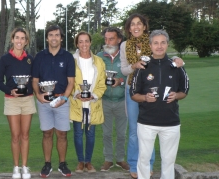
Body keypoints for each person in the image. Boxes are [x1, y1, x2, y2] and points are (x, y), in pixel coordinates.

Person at [120, 13, 185, 179]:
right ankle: (135, 165)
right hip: (135, 90)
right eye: (132, 24)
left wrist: (177, 58)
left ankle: (149, 165)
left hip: (162, 107)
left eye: (139, 23)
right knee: (136, 131)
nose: (136, 26)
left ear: (144, 26)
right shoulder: (125, 46)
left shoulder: (155, 41)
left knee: (157, 139)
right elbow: (124, 71)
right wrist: (134, 66)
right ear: (129, 28)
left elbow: (164, 58)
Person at [32, 25, 75, 178]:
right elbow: (35, 80)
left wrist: (64, 98)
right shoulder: (40, 56)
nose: (54, 38)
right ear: (47, 38)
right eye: (51, 35)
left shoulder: (68, 57)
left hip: (62, 99)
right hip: (44, 101)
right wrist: (38, 95)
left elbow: (71, 82)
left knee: (62, 134)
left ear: (61, 38)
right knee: (47, 133)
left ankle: (62, 164)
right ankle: (47, 163)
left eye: (57, 35)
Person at [0, 28, 36, 179]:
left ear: (26, 41)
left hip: (27, 100)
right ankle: (16, 167)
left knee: (25, 135)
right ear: (12, 39)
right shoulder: (5, 59)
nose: (19, 41)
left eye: (22, 38)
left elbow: (34, 80)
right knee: (15, 136)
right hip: (11, 100)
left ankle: (25, 167)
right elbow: (0, 82)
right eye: (17, 38)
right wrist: (10, 90)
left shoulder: (30, 59)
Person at [70, 31, 106, 173]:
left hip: (93, 104)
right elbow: (69, 82)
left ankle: (88, 162)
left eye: (86, 41)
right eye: (81, 41)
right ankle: (80, 162)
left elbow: (102, 83)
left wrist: (94, 95)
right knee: (78, 134)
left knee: (90, 135)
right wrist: (77, 94)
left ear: (90, 42)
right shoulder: (71, 61)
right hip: (77, 104)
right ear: (77, 44)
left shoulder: (98, 61)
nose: (84, 44)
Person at [96, 27, 129, 172]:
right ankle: (108, 159)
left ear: (119, 40)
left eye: (111, 39)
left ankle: (121, 159)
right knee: (107, 133)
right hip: (105, 101)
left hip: (123, 101)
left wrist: (120, 81)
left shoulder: (126, 56)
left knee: (122, 133)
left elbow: (132, 75)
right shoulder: (99, 56)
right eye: (106, 39)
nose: (108, 42)